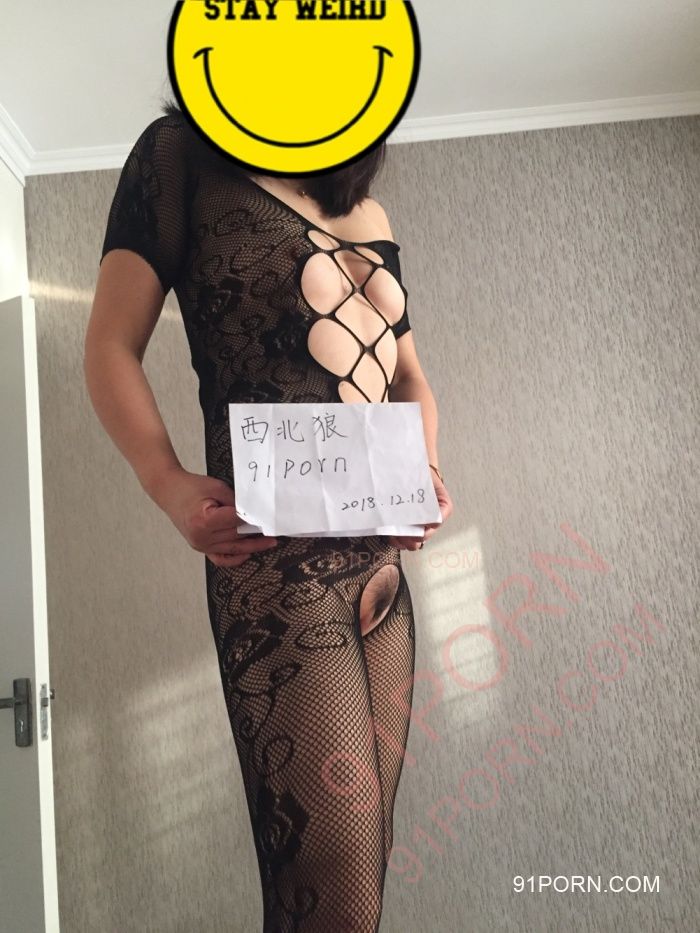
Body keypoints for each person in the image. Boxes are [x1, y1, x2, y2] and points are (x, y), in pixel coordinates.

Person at [85, 100, 453, 932]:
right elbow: (109, 343)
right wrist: (168, 483)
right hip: (279, 576)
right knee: (331, 890)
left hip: (385, 574)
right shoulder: (181, 152)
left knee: (366, 873)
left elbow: (407, 376)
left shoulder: (368, 207)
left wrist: (424, 468)